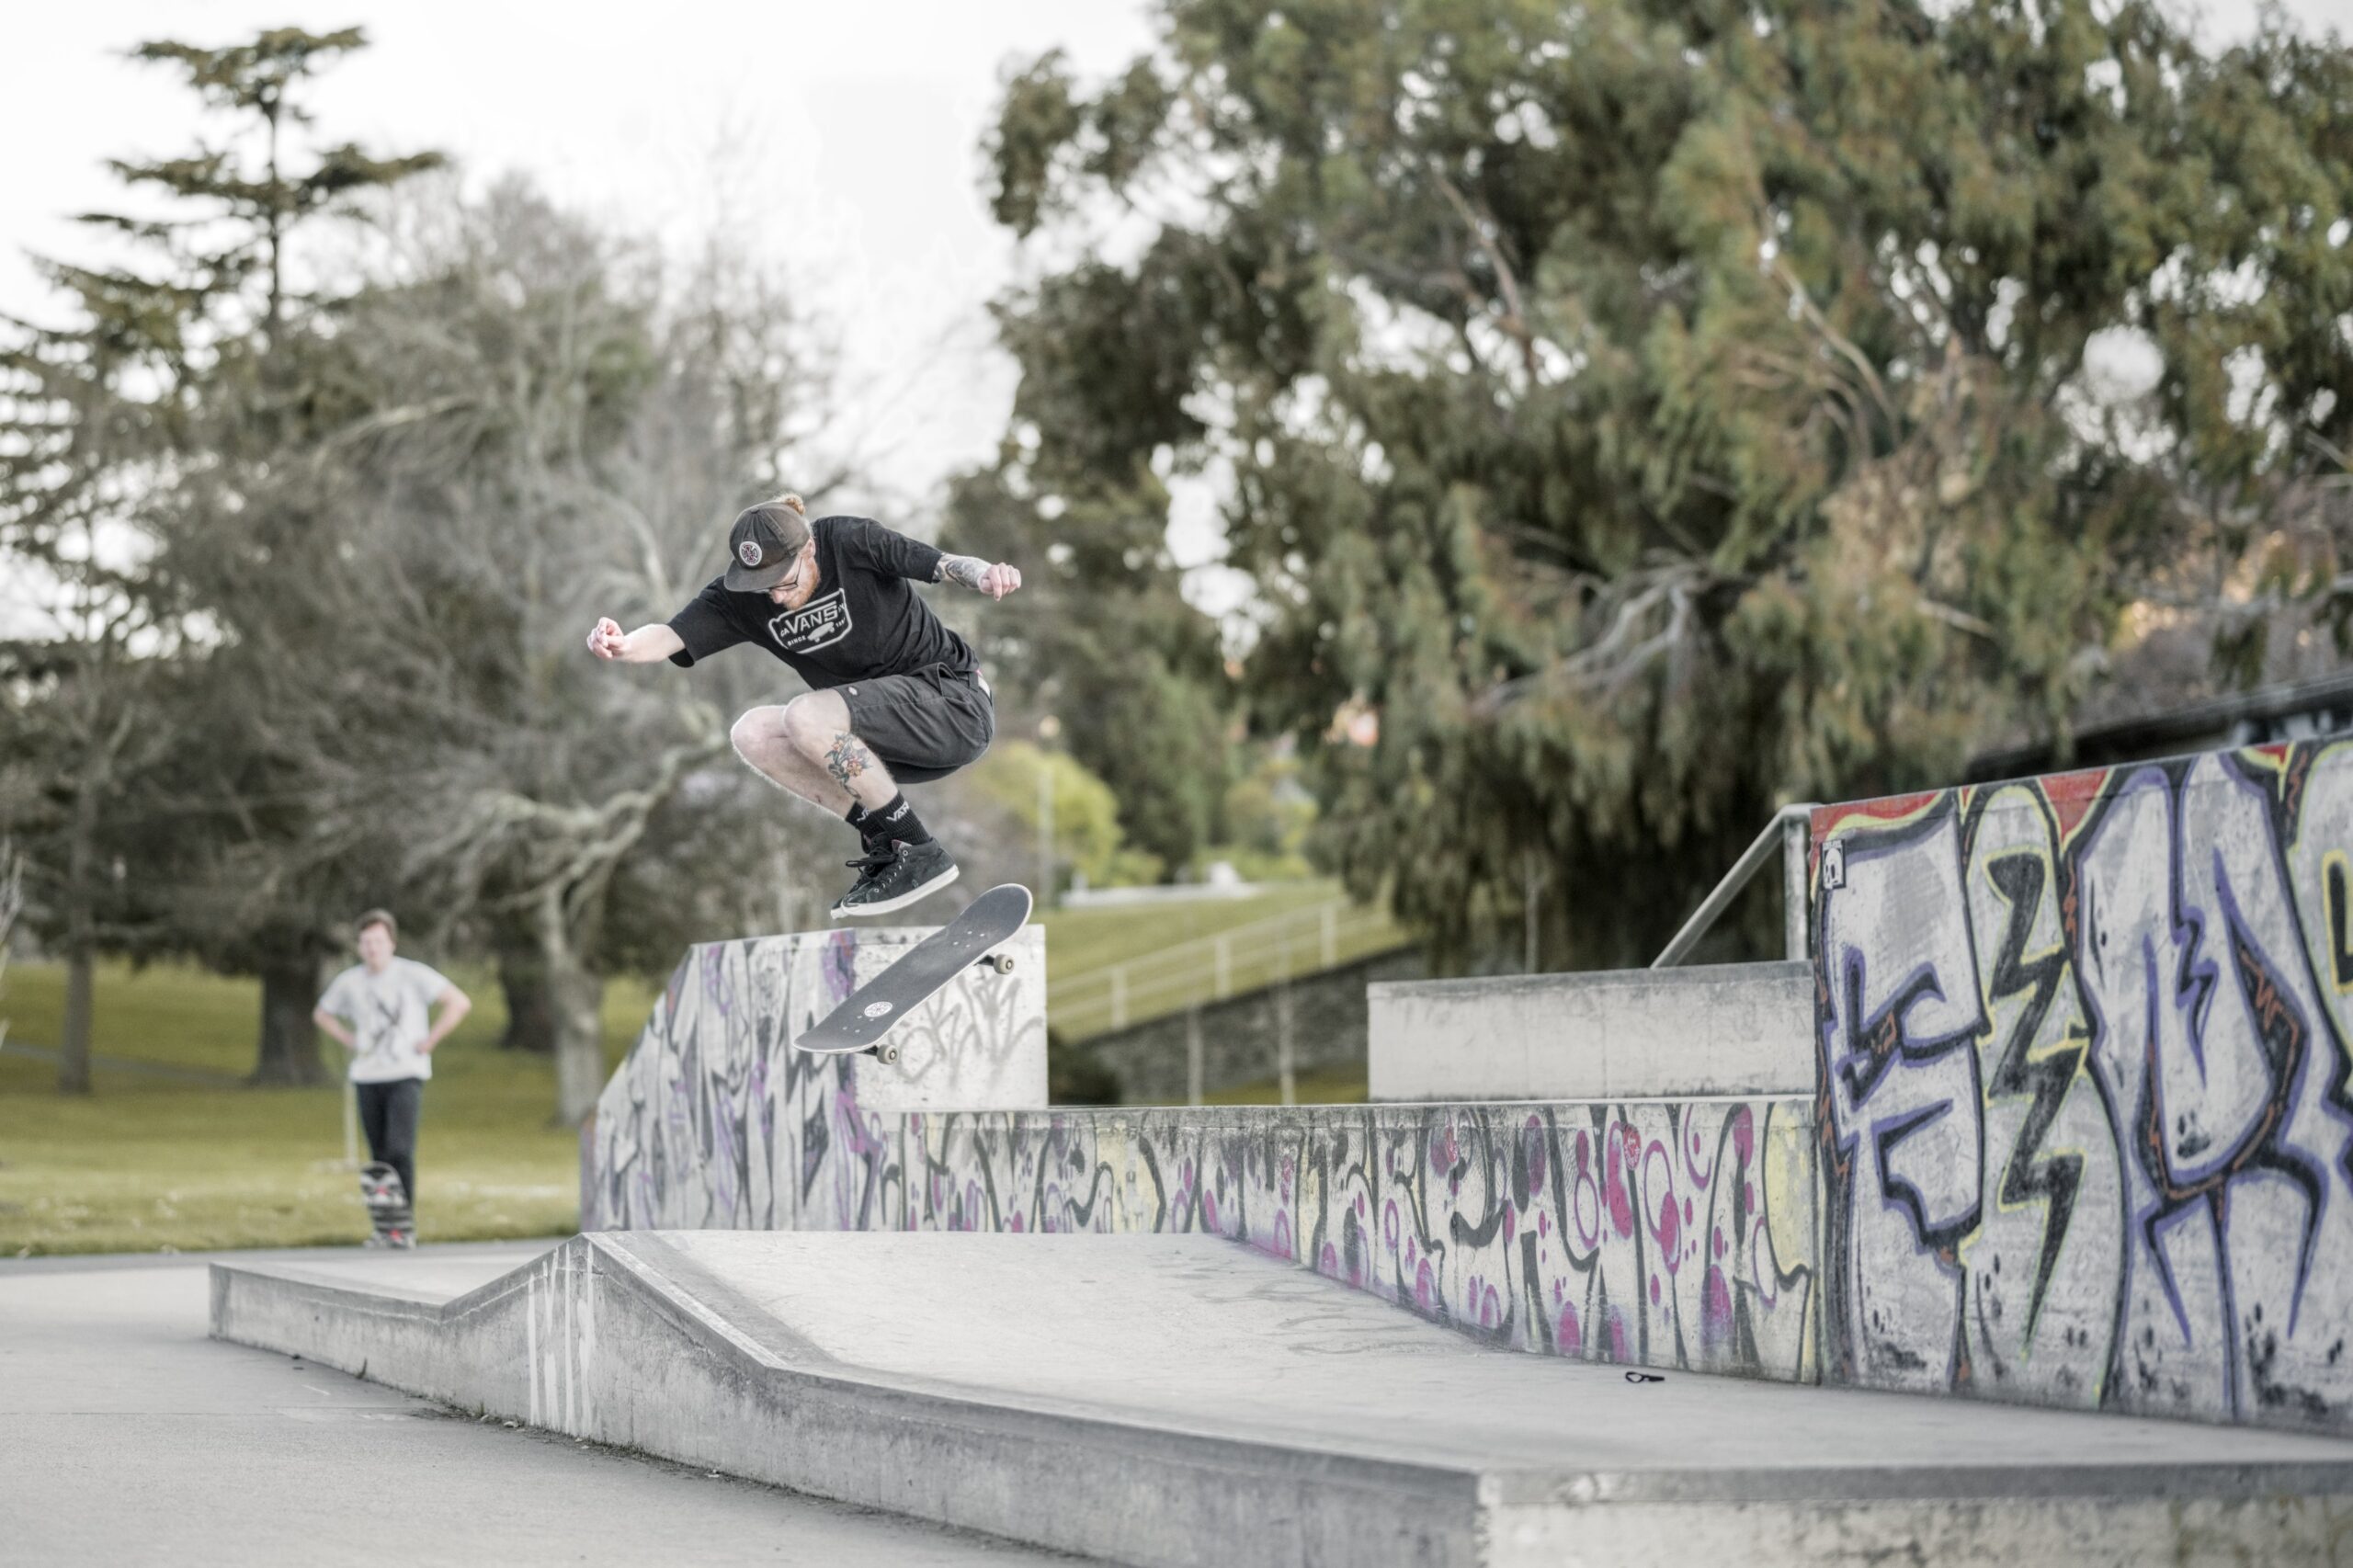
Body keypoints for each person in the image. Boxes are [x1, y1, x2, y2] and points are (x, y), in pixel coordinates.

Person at [585, 494, 1021, 917]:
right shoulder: (742, 598)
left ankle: (919, 850)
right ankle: (884, 839)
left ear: (810, 549)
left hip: (952, 705)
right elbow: (670, 635)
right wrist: (622, 645)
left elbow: (941, 563)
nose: (775, 597)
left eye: (786, 582)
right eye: (764, 587)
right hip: (883, 742)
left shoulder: (850, 541)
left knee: (805, 715)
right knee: (752, 732)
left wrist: (984, 574)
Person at [312, 909, 472, 1244]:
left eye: (379, 941)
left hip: (405, 1073)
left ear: (392, 943)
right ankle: (385, 1227)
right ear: (359, 946)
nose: (373, 948)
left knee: (400, 1149)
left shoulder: (412, 975)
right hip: (368, 1075)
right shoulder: (350, 982)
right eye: (366, 942)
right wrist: (349, 1039)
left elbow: (458, 1002)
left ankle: (404, 1224)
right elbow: (322, 1014)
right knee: (380, 1157)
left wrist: (431, 1040)